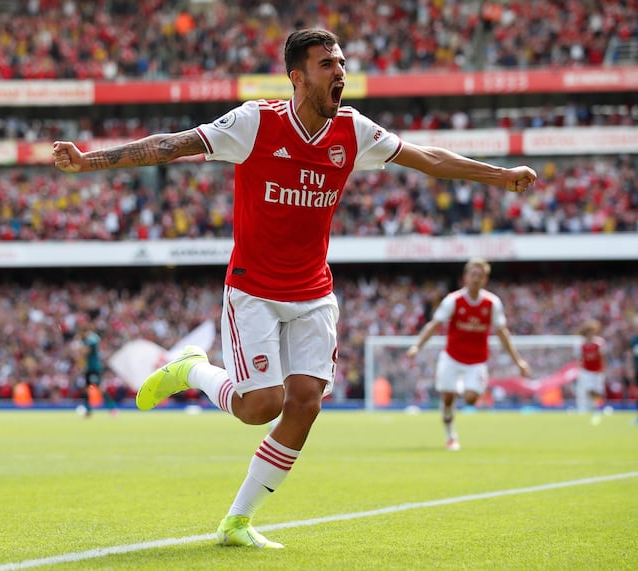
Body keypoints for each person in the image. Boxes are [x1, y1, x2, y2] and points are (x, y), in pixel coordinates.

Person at [53, 28, 536, 548]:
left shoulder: (353, 131)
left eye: (342, 63)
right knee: (260, 406)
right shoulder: (254, 121)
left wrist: (500, 175)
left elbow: (429, 158)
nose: (340, 73)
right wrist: (90, 161)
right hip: (253, 290)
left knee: (305, 403)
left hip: (313, 293)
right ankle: (192, 368)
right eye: (328, 65)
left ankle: (238, 520)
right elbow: (172, 145)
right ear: (297, 76)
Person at [405, 258, 531, 451]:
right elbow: (434, 325)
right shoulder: (454, 300)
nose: (476, 279)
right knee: (447, 399)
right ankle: (450, 435)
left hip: (477, 360)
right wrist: (417, 346)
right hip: (452, 357)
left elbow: (503, 333)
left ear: (485, 279)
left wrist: (518, 361)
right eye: (473, 275)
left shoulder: (492, 303)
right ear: (466, 277)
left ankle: (461, 386)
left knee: (471, 398)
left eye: (480, 276)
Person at [79, 321, 117, 417]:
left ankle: (111, 407)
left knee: (98, 388)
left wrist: (80, 351)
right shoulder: (93, 338)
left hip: (93, 368)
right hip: (91, 368)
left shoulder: (90, 339)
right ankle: (89, 410)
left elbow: (86, 351)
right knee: (88, 389)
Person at [574, 318, 607, 424]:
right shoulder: (581, 344)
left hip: (597, 371)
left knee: (597, 392)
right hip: (586, 371)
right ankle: (591, 410)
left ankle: (596, 410)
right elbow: (578, 358)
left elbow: (603, 357)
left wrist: (603, 370)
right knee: (588, 390)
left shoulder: (599, 343)